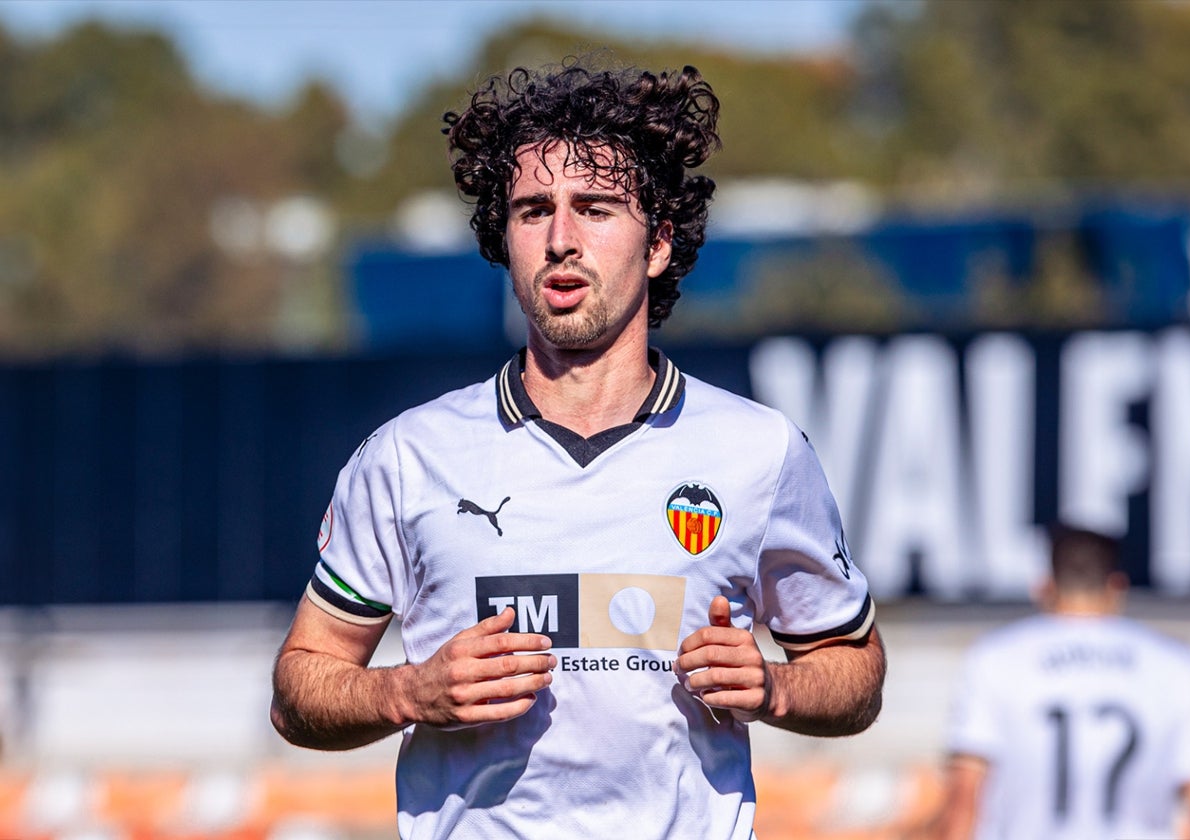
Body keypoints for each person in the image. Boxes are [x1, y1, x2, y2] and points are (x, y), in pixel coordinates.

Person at [270, 59, 885, 840]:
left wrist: (773, 686)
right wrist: (407, 692)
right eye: (532, 211)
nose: (561, 239)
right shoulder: (407, 456)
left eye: (594, 208)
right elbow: (297, 690)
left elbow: (856, 671)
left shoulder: (759, 452)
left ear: (658, 242)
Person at [934, 523, 1190, 840]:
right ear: (1117, 586)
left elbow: (964, 802)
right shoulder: (1177, 665)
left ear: (1045, 586)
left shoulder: (995, 658)